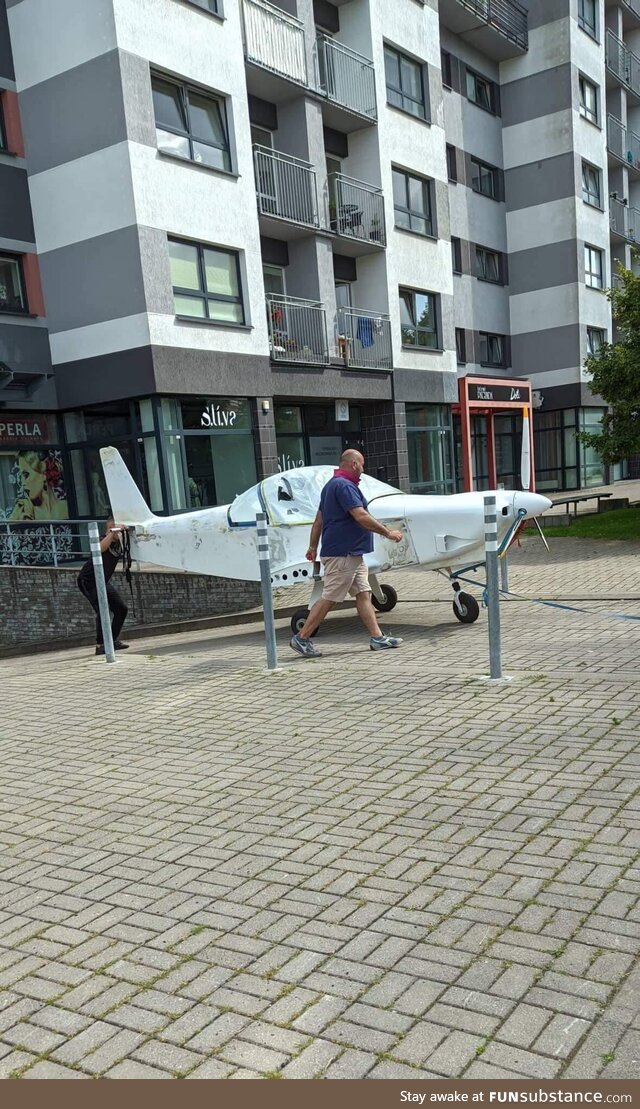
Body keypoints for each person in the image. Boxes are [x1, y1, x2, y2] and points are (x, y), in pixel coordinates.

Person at [290, 449, 404, 658]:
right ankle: (302, 637)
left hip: (352, 554)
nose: (363, 468)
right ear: (353, 464)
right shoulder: (344, 486)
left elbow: (319, 521)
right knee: (330, 597)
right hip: (343, 554)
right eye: (362, 464)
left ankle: (377, 638)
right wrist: (388, 533)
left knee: (363, 593)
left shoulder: (330, 486)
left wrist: (312, 547)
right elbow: (360, 515)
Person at [77, 517, 129, 656]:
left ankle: (112, 640)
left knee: (121, 609)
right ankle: (101, 645)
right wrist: (111, 532)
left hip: (102, 581)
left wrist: (125, 530)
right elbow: (99, 549)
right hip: (88, 580)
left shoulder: (120, 542)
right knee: (102, 609)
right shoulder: (102, 539)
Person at [9, 450, 68, 521]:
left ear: (43, 474)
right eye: (20, 476)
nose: (22, 483)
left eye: (26, 475)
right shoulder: (22, 511)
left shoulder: (67, 508)